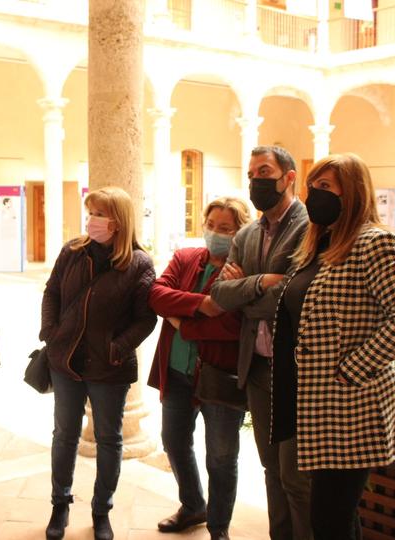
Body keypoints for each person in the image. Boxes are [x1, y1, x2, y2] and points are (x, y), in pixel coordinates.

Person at [272, 153, 395, 540]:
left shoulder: (375, 244)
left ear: (353, 193)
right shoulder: (318, 246)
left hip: (350, 409)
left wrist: (351, 369)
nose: (314, 196)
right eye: (312, 187)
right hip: (316, 406)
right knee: (335, 519)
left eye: (325, 188)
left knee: (329, 520)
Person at [40, 186, 157, 540]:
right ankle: (59, 504)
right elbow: (52, 291)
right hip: (67, 362)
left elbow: (145, 319)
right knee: (65, 435)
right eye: (90, 211)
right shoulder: (73, 252)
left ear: (118, 221)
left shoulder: (138, 263)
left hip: (110, 367)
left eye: (99, 213)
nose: (92, 220)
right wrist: (50, 332)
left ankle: (101, 508)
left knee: (109, 439)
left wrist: (116, 348)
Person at [210, 146, 311, 540]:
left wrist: (244, 289)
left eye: (265, 171)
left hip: (297, 368)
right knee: (270, 468)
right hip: (257, 366)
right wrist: (259, 282)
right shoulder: (248, 233)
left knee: (297, 479)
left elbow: (296, 294)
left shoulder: (309, 227)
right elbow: (220, 293)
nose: (256, 180)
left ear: (288, 177)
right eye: (251, 173)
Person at [147, 197, 252, 540]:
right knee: (174, 441)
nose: (216, 233)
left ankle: (218, 527)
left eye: (226, 228)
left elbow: (233, 325)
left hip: (220, 379)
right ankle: (193, 505)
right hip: (177, 373)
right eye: (211, 226)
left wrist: (185, 323)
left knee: (221, 457)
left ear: (241, 232)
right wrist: (204, 305)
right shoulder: (185, 257)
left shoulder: (244, 271)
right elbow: (157, 294)